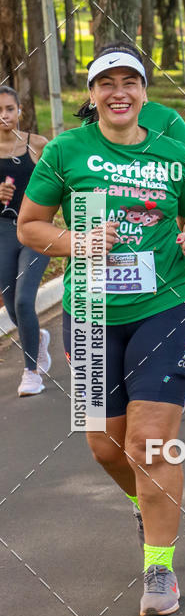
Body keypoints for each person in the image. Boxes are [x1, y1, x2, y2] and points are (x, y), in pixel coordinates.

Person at [18, 46, 185, 616]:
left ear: (145, 92)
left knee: (147, 442)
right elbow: (31, 225)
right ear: (93, 94)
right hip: (93, 309)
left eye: (131, 81)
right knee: (104, 445)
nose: (119, 92)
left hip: (166, 304)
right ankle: (145, 503)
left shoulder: (173, 149)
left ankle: (159, 568)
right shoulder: (66, 150)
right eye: (108, 83)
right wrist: (76, 243)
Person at [0, 88, 50, 396]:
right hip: (2, 230)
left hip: (36, 229)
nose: (3, 115)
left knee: (23, 299)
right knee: (11, 303)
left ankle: (31, 372)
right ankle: (38, 338)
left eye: (9, 108)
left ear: (20, 111)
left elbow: (59, 184)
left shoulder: (38, 145)